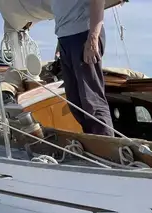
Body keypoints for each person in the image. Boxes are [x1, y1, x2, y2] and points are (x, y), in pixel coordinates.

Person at [52, 0, 114, 136]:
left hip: (84, 35)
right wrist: (60, 42)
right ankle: (94, 144)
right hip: (65, 39)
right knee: (75, 102)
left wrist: (93, 37)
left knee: (91, 100)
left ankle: (108, 149)